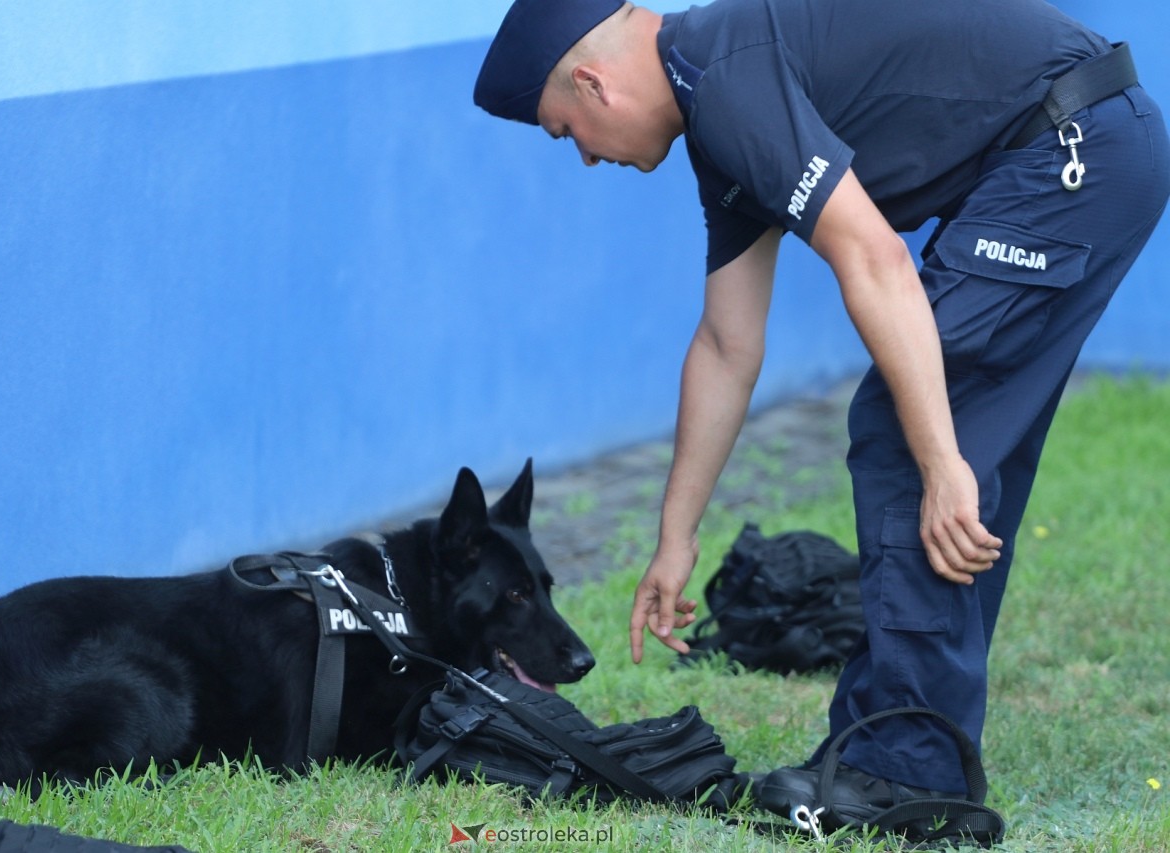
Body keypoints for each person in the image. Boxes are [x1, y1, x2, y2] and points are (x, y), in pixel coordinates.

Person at [473, 0, 1168, 828]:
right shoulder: (716, 109)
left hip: (1072, 145)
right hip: (1078, 142)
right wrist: (675, 536)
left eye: (565, 133)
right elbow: (728, 343)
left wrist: (941, 461)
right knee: (931, 429)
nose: (585, 157)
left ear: (593, 84)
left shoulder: (726, 80)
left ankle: (905, 773)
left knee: (907, 433)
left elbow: (874, 259)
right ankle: (893, 742)